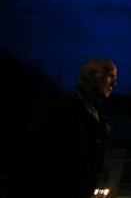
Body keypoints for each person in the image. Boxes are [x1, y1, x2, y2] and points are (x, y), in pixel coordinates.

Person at [18, 57, 117, 198]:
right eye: (110, 76)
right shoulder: (64, 110)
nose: (114, 83)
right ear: (92, 76)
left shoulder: (91, 112)